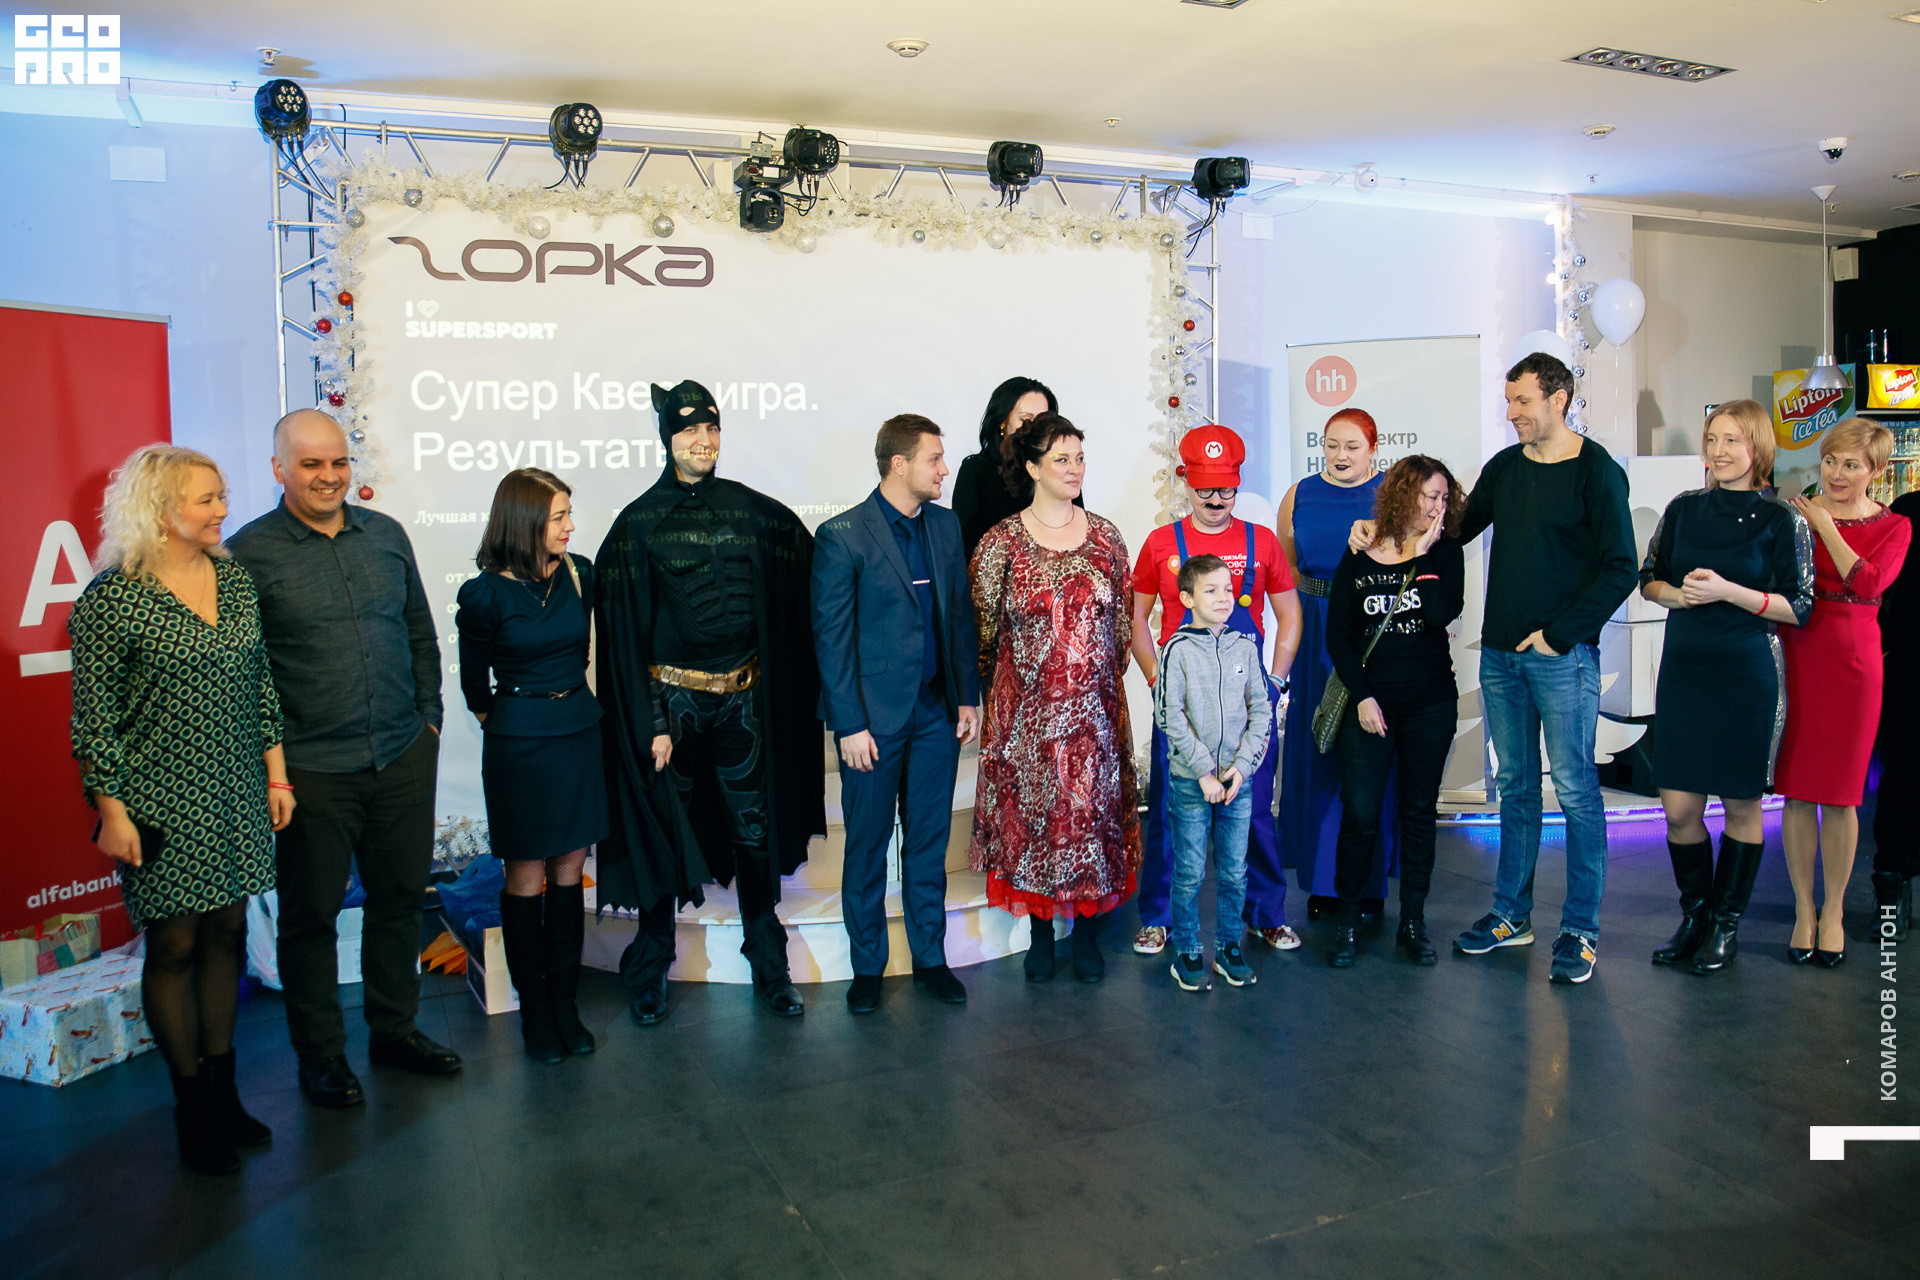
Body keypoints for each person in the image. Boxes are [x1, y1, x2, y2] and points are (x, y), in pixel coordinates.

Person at [1352, 353, 1636, 984]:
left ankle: (1581, 930)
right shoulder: (1506, 468)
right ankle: (1512, 915)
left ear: (1559, 399)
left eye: (1522, 402)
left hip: (1562, 659)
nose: (1511, 414)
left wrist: (1559, 636)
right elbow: (1450, 528)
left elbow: (1621, 568)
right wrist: (1383, 530)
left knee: (1576, 792)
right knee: (1516, 787)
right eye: (1509, 402)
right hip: (1502, 659)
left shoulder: (1597, 472)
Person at [230, 410, 462, 1107]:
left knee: (399, 902)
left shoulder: (386, 535)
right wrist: (273, 769)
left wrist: (428, 723)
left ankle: (395, 1030)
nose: (329, 477)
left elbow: (420, 636)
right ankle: (322, 1057)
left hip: (401, 753)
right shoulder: (246, 555)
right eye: (311, 465)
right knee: (311, 918)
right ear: (279, 469)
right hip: (310, 770)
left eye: (338, 462)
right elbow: (244, 674)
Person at [70, 446, 290, 1174]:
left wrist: (277, 778)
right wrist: (112, 811)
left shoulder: (234, 579)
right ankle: (191, 1106)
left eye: (222, 495)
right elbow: (94, 723)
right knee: (173, 945)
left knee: (227, 932)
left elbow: (260, 685)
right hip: (156, 799)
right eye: (207, 499)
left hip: (235, 788)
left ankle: (225, 1094)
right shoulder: (113, 600)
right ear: (160, 509)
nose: (223, 509)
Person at [595, 380, 825, 1024]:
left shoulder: (754, 514)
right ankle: (651, 964)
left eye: (712, 428)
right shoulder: (638, 525)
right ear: (668, 437)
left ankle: (768, 961)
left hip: (743, 700)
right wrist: (651, 717)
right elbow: (623, 634)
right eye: (690, 429)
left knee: (754, 830)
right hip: (672, 706)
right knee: (663, 831)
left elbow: (814, 573)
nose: (704, 440)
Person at [812, 415, 981, 1013]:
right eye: (934, 458)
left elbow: (959, 614)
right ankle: (867, 968)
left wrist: (967, 695)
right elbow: (831, 640)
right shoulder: (842, 535)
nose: (945, 469)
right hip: (872, 722)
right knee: (867, 845)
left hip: (936, 712)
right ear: (898, 464)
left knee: (927, 843)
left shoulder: (945, 525)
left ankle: (931, 959)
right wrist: (849, 724)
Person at [1637, 401, 1813, 976]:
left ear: (1758, 446)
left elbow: (1801, 606)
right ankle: (1695, 915)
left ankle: (1725, 925)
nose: (1718, 451)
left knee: (1741, 803)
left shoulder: (1782, 519)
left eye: (1732, 440)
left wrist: (1728, 592)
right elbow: (1649, 578)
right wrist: (1678, 596)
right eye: (1712, 438)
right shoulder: (1684, 508)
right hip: (1686, 672)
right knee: (1678, 810)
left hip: (1746, 674)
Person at [970, 412, 1141, 983]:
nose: (1074, 469)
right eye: (1061, 459)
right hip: (1026, 719)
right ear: (1032, 467)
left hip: (1094, 716)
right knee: (1034, 824)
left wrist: (1090, 689)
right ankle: (1041, 935)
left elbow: (1121, 627)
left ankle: (1086, 935)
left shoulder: (1107, 538)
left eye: (1079, 458)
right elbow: (983, 634)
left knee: (1090, 822)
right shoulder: (1000, 544)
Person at [1129, 425, 1301, 956]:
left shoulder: (1262, 542)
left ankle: (1265, 915)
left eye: (1225, 487)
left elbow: (1289, 613)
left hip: (1247, 706)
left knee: (1255, 812)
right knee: (1169, 813)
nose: (1215, 498)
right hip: (1182, 707)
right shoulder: (1160, 543)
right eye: (1205, 487)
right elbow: (1135, 618)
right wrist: (1156, 681)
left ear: (1237, 483)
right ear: (1186, 481)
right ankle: (1158, 917)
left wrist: (1275, 682)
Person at [456, 468, 609, 1061]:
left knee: (570, 869)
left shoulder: (580, 573)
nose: (570, 526)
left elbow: (582, 651)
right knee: (526, 875)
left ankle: (566, 1005)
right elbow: (476, 689)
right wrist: (517, 720)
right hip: (519, 744)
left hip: (578, 731)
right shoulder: (485, 595)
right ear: (524, 523)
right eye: (558, 517)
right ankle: (535, 1012)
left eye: (569, 513)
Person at [1776, 418, 1910, 968]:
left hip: (1855, 664)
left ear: (1875, 471)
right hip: (1798, 652)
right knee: (1797, 792)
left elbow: (1871, 582)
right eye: (1830, 461)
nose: (1835, 473)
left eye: (1850, 465)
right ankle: (1803, 910)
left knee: (1841, 795)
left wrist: (1826, 526)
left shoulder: (1896, 526)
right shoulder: (1795, 515)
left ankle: (1833, 911)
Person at [1323, 456, 1466, 969]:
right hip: (1370, 706)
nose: (1437, 507)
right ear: (1403, 495)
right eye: (1429, 496)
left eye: (1444, 498)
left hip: (1431, 703)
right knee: (1360, 814)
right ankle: (1347, 920)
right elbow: (1338, 634)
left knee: (1418, 813)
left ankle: (1413, 922)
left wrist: (1421, 557)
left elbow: (1440, 612)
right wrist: (1362, 696)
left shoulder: (1445, 553)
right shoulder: (1361, 549)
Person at [1278, 408, 1395, 926]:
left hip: (1371, 632)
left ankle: (1368, 882)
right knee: (1319, 749)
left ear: (1373, 448)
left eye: (1352, 446)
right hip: (1314, 629)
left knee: (1370, 750)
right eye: (1331, 445)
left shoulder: (1392, 493)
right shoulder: (1299, 493)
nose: (1340, 456)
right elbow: (1286, 567)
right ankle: (1323, 879)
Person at [1154, 555, 1272, 991]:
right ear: (1187, 599)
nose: (1223, 598)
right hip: (1192, 781)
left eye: (1227, 589)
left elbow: (1261, 709)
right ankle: (1187, 948)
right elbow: (1170, 715)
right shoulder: (1177, 650)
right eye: (1211, 590)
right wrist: (1204, 771)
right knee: (1189, 871)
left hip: (1237, 782)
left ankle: (1228, 947)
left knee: (1234, 871)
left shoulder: (1245, 647)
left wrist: (1241, 768)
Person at [952, 376, 1080, 557]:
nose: (1034, 428)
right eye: (1026, 419)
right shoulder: (976, 470)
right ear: (1003, 421)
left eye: (1043, 419)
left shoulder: (1059, 470)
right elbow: (964, 545)